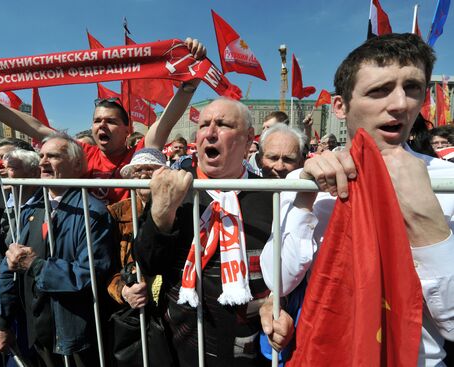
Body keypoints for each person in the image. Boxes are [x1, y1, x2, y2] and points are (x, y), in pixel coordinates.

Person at [260, 33, 454, 366]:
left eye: (412, 88)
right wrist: (304, 202)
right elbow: (276, 280)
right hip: (325, 355)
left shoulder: (446, 182)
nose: (400, 104)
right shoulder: (301, 181)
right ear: (340, 106)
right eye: (379, 91)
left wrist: (427, 223)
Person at [0, 38, 206, 205]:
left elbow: (167, 120)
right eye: (97, 121)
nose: (101, 126)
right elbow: (34, 126)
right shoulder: (83, 153)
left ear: (128, 129)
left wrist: (190, 81)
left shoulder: (141, 153)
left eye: (110, 121)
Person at [134, 97, 290, 366]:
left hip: (253, 349)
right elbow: (149, 263)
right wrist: (161, 214)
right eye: (204, 124)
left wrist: (277, 300)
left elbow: (291, 267)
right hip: (183, 346)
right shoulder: (176, 190)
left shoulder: (272, 195)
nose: (210, 132)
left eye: (223, 124)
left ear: (248, 139)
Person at [0, 133, 117, 366]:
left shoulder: (93, 213)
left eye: (53, 156)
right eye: (41, 156)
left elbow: (91, 274)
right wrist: (1, 322)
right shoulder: (33, 207)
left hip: (72, 335)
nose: (42, 162)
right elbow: (9, 264)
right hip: (34, 331)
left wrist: (37, 266)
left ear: (78, 164)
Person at [107, 148, 167, 309]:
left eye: (150, 169)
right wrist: (123, 290)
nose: (143, 175)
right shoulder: (116, 213)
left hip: (170, 304)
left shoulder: (180, 208)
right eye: (138, 170)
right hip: (133, 309)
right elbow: (105, 265)